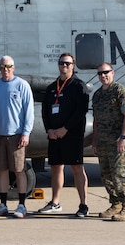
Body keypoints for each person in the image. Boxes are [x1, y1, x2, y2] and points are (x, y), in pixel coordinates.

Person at [38, 54, 91, 218]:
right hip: (54, 135)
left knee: (76, 168)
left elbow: (81, 111)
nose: (64, 66)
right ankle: (55, 202)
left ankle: (83, 205)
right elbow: (45, 111)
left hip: (72, 134)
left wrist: (65, 128)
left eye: (67, 63)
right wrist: (49, 130)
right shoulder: (52, 87)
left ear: (73, 65)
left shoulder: (78, 86)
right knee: (56, 167)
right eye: (61, 63)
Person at [0, 55, 36, 218]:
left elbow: (29, 111)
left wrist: (26, 133)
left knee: (19, 170)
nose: (5, 70)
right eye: (2, 67)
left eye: (8, 67)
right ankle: (3, 204)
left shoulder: (22, 85)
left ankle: (22, 205)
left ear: (13, 67)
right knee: (2, 170)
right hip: (0, 134)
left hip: (17, 135)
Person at [91, 63, 125, 221]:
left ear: (113, 73)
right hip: (102, 141)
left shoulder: (120, 91)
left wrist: (123, 137)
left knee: (119, 174)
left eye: (106, 72)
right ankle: (115, 204)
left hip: (117, 142)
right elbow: (96, 120)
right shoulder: (97, 95)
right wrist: (94, 141)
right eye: (100, 73)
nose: (103, 76)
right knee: (106, 175)